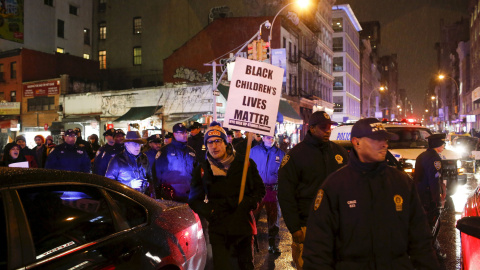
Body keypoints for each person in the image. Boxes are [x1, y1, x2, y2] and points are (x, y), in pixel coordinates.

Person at [303, 118, 440, 269]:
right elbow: (317, 249)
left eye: (385, 139)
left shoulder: (402, 183)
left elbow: (421, 241)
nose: (384, 144)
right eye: (376, 139)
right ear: (356, 142)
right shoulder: (335, 186)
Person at [188, 122, 265, 270]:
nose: (214, 146)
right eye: (209, 142)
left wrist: (248, 204)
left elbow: (259, 190)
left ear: (226, 142)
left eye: (217, 141)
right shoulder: (203, 169)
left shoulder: (245, 163)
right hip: (219, 230)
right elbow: (194, 200)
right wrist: (210, 211)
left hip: (243, 227)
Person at [278, 111, 348, 269]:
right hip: (307, 225)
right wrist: (295, 227)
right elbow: (285, 194)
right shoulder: (296, 156)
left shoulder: (340, 153)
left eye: (329, 127)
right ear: (312, 128)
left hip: (337, 226)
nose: (328, 130)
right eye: (323, 127)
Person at [250, 135, 285, 254]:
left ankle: (273, 245)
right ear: (263, 138)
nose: (270, 140)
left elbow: (284, 172)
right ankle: (250, 243)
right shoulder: (253, 151)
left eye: (272, 137)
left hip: (272, 190)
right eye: (267, 137)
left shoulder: (280, 154)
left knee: (273, 219)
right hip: (257, 190)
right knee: (253, 217)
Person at [414, 133, 447, 259]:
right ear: (437, 144)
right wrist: (437, 201)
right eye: (442, 143)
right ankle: (428, 254)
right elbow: (434, 181)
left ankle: (434, 251)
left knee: (427, 225)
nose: (444, 145)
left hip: (420, 195)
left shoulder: (422, 156)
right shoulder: (434, 159)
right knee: (431, 226)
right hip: (428, 197)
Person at [153, 123, 197, 202]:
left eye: (186, 132)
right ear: (174, 134)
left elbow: (196, 174)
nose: (185, 135)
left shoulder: (191, 151)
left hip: (189, 197)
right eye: (182, 133)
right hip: (171, 198)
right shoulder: (164, 151)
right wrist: (159, 196)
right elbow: (157, 175)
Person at [105, 131, 155, 198]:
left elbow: (150, 178)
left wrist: (152, 194)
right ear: (126, 144)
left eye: (139, 144)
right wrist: (129, 185)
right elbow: (109, 183)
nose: (138, 147)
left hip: (143, 200)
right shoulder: (117, 160)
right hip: (125, 201)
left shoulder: (144, 158)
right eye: (135, 144)